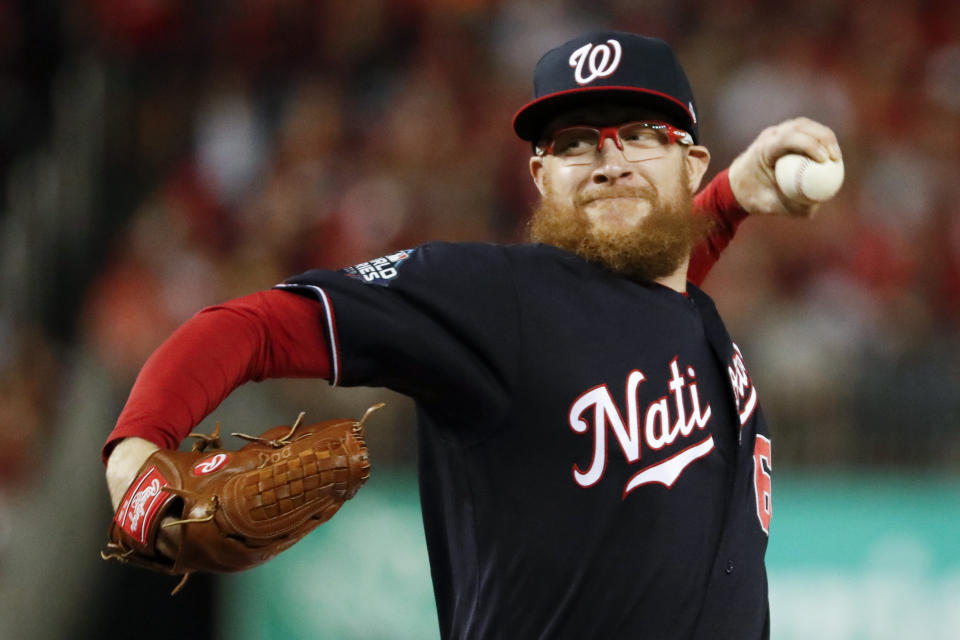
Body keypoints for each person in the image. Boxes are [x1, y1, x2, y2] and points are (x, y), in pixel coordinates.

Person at [103, 31, 841, 639]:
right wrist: (135, 452)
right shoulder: (491, 300)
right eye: (577, 143)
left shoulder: (674, 312)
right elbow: (252, 326)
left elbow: (643, 294)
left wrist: (732, 202)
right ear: (540, 175)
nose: (610, 161)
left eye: (642, 135)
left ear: (692, 161)